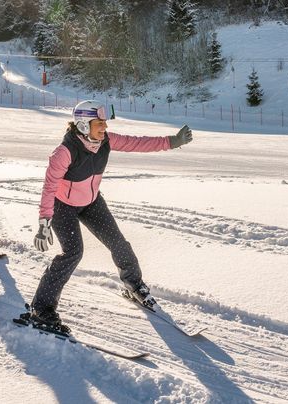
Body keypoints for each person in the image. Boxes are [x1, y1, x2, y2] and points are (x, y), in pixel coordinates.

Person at [19, 100, 194, 334]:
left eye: (104, 123)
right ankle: (41, 308)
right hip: (64, 206)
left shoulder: (106, 141)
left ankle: (134, 285)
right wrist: (44, 221)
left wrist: (172, 142)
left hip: (91, 202)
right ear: (82, 125)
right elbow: (49, 186)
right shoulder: (64, 152)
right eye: (99, 123)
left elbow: (136, 143)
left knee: (118, 242)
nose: (104, 128)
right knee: (73, 252)